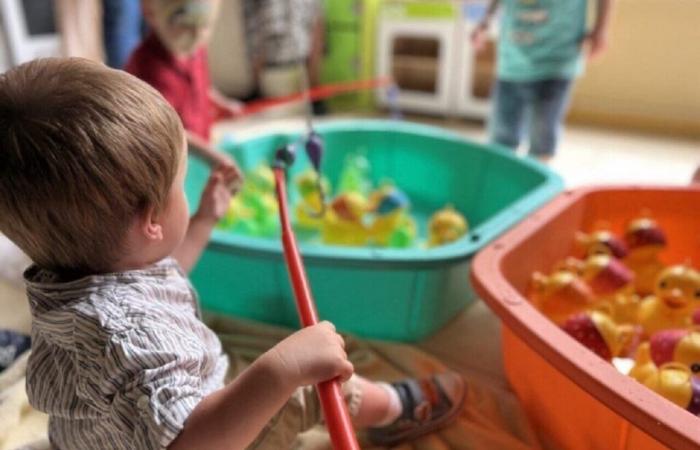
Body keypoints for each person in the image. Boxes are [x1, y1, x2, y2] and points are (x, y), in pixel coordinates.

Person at [0, 57, 465, 450]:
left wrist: (202, 220)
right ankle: (396, 409)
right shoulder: (131, 336)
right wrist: (281, 371)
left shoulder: (77, 275)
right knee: (316, 391)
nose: (188, 192)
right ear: (151, 222)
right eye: (182, 187)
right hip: (205, 433)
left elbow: (157, 280)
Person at [472, 0, 613, 160]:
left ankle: (538, 178)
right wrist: (486, 20)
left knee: (542, 139)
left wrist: (601, 29)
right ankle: (499, 180)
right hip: (513, 58)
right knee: (502, 138)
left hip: (558, 58)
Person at [126, 0, 242, 169]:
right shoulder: (148, 69)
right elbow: (168, 130)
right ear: (150, 12)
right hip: (173, 163)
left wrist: (221, 103)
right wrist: (211, 155)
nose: (197, 33)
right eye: (185, 23)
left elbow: (201, 86)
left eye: (206, 24)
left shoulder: (194, 49)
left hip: (198, 152)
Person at [244, 0, 327, 114]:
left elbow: (317, 27)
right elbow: (254, 34)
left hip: (300, 71)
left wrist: (313, 85)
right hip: (272, 74)